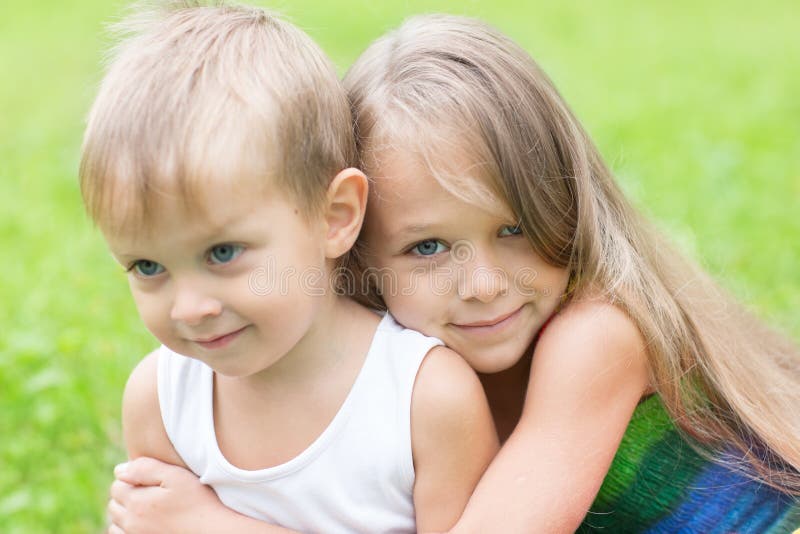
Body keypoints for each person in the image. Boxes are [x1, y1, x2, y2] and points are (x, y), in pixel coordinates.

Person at [107, 13, 800, 533]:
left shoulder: (596, 335)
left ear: (567, 201)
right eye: (428, 248)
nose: (484, 284)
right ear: (352, 239)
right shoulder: (390, 373)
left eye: (515, 228)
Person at [85, 4, 498, 533]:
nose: (189, 308)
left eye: (223, 253)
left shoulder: (425, 399)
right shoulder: (161, 399)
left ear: (335, 217)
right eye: (147, 265)